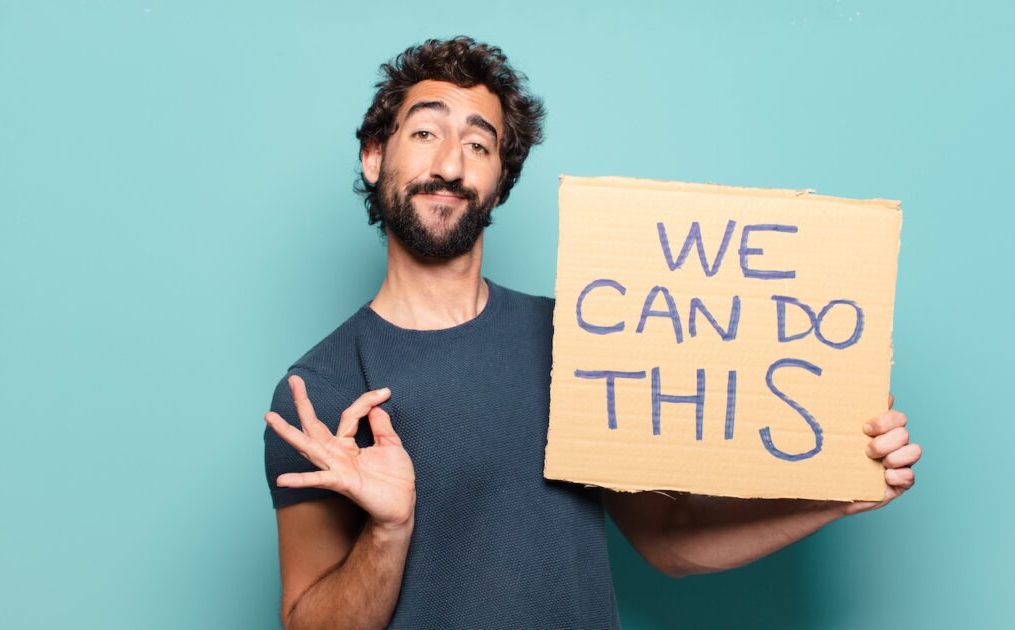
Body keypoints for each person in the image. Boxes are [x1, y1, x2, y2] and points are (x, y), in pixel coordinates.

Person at [263, 36, 922, 629]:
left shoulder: (582, 342)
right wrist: (389, 530)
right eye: (426, 133)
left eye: (479, 143)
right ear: (375, 156)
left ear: (500, 181)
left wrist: (840, 490)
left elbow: (670, 540)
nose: (451, 165)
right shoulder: (319, 393)